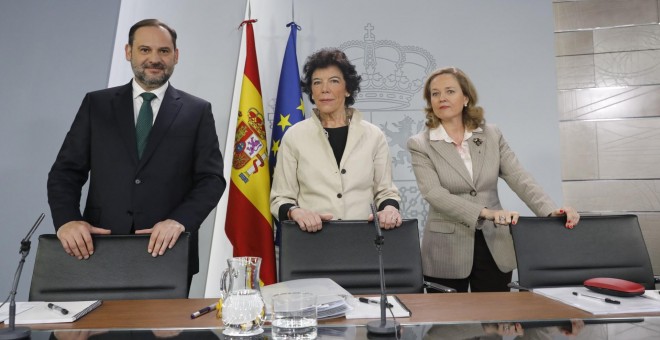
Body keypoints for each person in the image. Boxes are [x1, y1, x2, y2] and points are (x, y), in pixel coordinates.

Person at [47, 19, 226, 287]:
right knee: (99, 329)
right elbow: (65, 172)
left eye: (164, 51)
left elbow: (211, 179)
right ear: (128, 52)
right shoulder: (97, 104)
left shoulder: (197, 111)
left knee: (160, 330)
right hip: (98, 247)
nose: (154, 59)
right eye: (145, 50)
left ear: (176, 56)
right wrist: (67, 220)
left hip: (169, 250)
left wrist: (180, 221)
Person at [407, 67, 580, 292]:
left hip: (495, 244)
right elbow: (434, 194)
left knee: (497, 322)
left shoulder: (491, 134)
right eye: (435, 93)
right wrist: (485, 213)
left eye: (450, 91)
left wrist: (549, 212)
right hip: (445, 250)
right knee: (448, 325)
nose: (442, 98)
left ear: (466, 98)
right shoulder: (420, 143)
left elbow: (519, 177)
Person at [270, 48, 401, 232]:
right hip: (312, 241)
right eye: (317, 82)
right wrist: (296, 212)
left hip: (364, 239)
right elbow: (280, 199)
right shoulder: (294, 136)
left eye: (334, 81)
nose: (325, 89)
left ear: (348, 89)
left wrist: (390, 209)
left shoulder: (373, 135)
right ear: (312, 92)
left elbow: (386, 192)